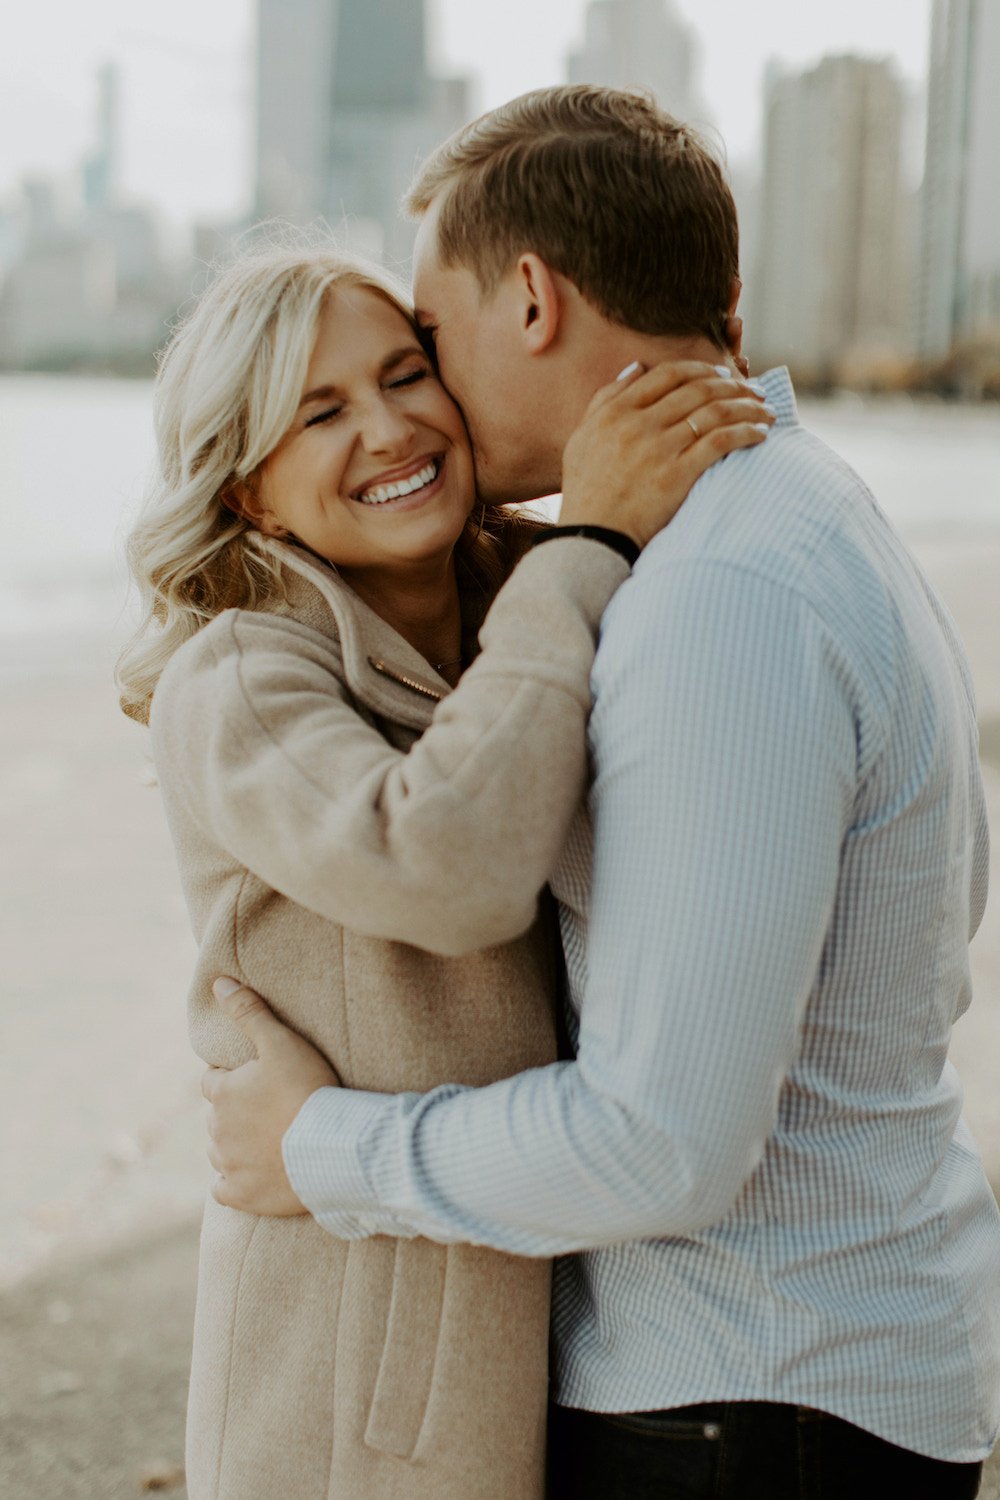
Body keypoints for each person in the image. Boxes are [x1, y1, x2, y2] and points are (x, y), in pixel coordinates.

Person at [204, 87, 1000, 1499]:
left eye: (427, 345)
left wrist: (316, 1147)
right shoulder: (780, 517)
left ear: (529, 297)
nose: (424, 405)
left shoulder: (719, 596)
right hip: (791, 1386)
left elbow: (660, 1147)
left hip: (749, 1408)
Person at [118, 237, 770, 1500]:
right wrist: (585, 543)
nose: (388, 426)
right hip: (349, 1372)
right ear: (247, 491)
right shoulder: (243, 676)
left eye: (405, 372)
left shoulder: (515, 595)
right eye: (318, 412)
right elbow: (447, 869)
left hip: (529, 1321)